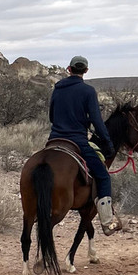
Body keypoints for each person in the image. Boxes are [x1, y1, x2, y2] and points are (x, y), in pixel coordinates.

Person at [48, 56, 121, 234]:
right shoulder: (88, 91)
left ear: (69, 69)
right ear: (86, 71)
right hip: (78, 141)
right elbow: (97, 120)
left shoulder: (57, 89)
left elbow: (51, 116)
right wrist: (108, 143)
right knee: (103, 176)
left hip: (54, 139)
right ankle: (107, 222)